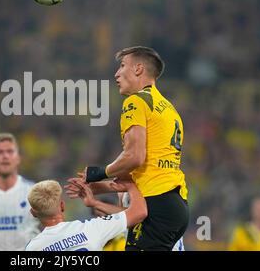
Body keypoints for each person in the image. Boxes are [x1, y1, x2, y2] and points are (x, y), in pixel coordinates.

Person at [80, 46, 189, 251]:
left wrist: (99, 173)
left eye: (122, 66)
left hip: (155, 202)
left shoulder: (136, 102)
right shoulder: (168, 108)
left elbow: (135, 156)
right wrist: (100, 187)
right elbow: (147, 165)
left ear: (138, 69)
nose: (117, 73)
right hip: (176, 203)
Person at [25, 177, 147, 251]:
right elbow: (139, 212)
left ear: (33, 213)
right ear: (62, 205)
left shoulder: (33, 248)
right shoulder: (90, 228)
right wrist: (129, 184)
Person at [65, 178, 185, 251]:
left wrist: (94, 202)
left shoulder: (152, 191)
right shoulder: (128, 190)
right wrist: (85, 187)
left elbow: (137, 214)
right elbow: (113, 186)